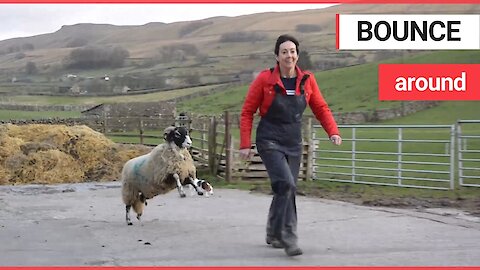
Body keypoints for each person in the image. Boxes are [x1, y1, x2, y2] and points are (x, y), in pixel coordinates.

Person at [239, 34, 342, 257]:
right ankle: (288, 236)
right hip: (269, 139)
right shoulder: (264, 80)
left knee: (285, 189)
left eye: (293, 51)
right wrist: (245, 144)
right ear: (277, 56)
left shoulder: (307, 80)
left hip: (293, 140)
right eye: (284, 51)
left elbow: (321, 108)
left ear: (297, 54)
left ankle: (273, 231)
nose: (289, 55)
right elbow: (247, 112)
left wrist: (332, 131)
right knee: (287, 184)